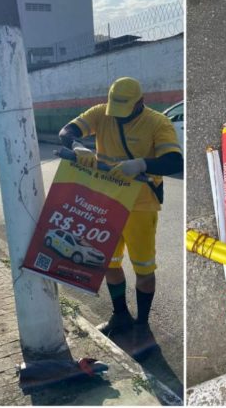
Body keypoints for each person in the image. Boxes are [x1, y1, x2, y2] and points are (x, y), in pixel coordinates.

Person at [58, 77, 183, 342]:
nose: (118, 115)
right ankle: (121, 315)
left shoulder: (158, 123)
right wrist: (77, 145)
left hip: (140, 204)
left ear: (140, 102)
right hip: (106, 200)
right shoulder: (101, 113)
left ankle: (143, 324)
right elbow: (66, 131)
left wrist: (142, 164)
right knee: (106, 262)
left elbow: (174, 161)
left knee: (144, 268)